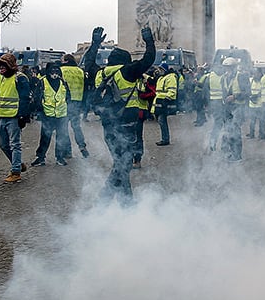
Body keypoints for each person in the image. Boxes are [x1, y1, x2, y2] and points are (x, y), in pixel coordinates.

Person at [86, 25, 155, 198]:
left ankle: (126, 203)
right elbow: (149, 59)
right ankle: (106, 197)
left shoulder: (99, 73)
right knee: (123, 164)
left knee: (121, 163)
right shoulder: (127, 71)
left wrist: (95, 43)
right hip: (127, 125)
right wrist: (149, 40)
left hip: (108, 126)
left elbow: (88, 63)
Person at [0, 53, 32, 183]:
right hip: (3, 116)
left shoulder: (20, 78)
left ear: (10, 66)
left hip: (14, 116)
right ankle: (18, 164)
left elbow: (25, 98)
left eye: (4, 66)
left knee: (15, 145)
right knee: (3, 144)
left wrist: (23, 116)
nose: (1, 69)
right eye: (0, 66)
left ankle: (16, 171)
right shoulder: (3, 78)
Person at [31, 62, 70, 167]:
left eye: (57, 70)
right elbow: (37, 98)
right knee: (45, 137)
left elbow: (68, 97)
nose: (55, 73)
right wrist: (40, 112)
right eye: (52, 70)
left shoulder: (63, 82)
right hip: (47, 115)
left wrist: (68, 112)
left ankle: (60, 157)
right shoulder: (42, 82)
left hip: (62, 115)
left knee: (61, 137)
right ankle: (41, 157)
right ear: (48, 71)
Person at [60, 53, 90, 158]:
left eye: (62, 59)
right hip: (78, 101)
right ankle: (82, 147)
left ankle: (68, 151)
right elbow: (86, 88)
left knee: (63, 128)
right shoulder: (80, 71)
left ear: (66, 61)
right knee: (76, 126)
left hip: (65, 102)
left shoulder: (62, 71)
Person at [220, 57, 250, 162]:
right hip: (227, 108)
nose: (227, 69)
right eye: (226, 67)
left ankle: (237, 155)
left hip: (238, 107)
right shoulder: (223, 78)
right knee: (228, 130)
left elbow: (247, 93)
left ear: (234, 67)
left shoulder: (241, 76)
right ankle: (230, 152)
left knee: (235, 131)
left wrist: (235, 96)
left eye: (229, 67)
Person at [152, 63, 179, 146]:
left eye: (160, 70)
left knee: (162, 121)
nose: (159, 71)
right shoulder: (161, 78)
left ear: (164, 70)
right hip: (160, 102)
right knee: (161, 121)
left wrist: (167, 99)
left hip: (164, 102)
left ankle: (165, 139)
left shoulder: (170, 77)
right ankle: (165, 139)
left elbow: (172, 90)